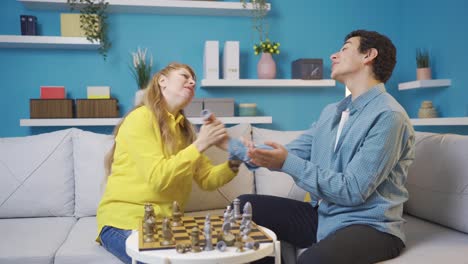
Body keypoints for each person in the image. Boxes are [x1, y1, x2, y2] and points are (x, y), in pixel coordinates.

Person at [230, 30, 415, 264]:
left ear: (368, 55)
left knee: (310, 261)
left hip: (369, 225)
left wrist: (287, 163)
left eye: (345, 48)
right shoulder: (332, 112)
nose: (333, 56)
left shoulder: (389, 116)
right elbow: (294, 151)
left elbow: (353, 190)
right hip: (324, 215)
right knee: (243, 207)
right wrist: (251, 153)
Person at [96, 62, 242, 264]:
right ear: (162, 81)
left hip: (167, 225)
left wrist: (236, 159)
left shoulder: (184, 131)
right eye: (185, 76)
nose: (192, 82)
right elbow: (158, 178)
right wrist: (200, 144)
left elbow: (207, 179)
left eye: (194, 80)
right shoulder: (140, 118)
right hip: (123, 223)